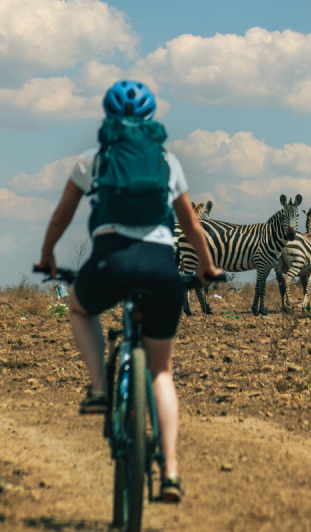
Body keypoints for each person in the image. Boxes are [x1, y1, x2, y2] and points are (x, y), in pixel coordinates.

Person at [36, 80, 221, 503]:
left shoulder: (92, 161)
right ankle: (171, 469)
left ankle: (100, 387)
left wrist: (48, 255)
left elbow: (61, 217)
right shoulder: (167, 161)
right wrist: (208, 267)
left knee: (81, 310)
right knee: (161, 372)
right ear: (151, 119)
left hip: (110, 261)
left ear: (107, 117)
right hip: (160, 267)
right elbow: (191, 226)